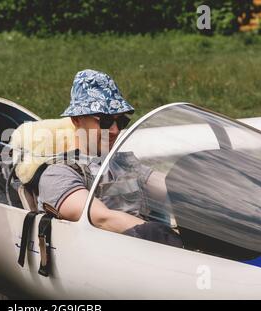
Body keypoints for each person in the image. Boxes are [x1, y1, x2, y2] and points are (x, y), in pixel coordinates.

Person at [37, 69, 182, 246]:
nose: (114, 130)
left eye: (121, 122)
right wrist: (166, 238)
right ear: (76, 120)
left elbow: (169, 187)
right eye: (105, 121)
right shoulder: (58, 173)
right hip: (100, 256)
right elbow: (102, 218)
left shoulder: (125, 163)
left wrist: (204, 197)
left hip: (138, 249)